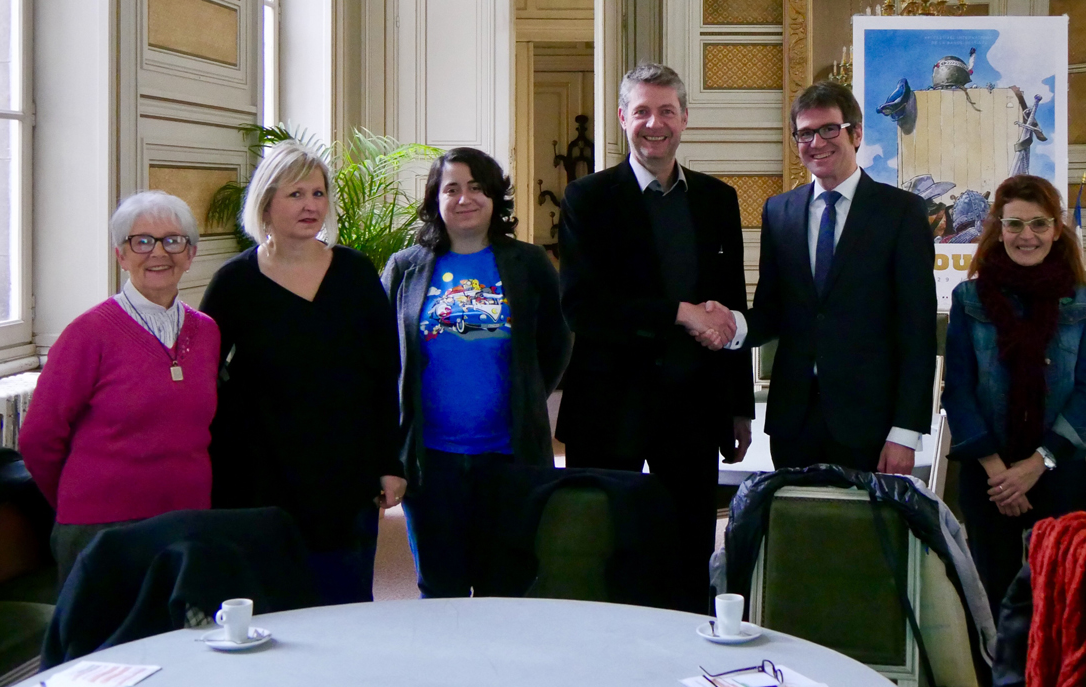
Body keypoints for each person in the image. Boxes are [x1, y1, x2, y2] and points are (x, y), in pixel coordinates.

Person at [555, 63, 754, 613]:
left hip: (693, 409)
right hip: (608, 407)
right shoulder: (587, 198)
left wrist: (739, 406)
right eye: (641, 111)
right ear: (623, 118)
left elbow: (731, 306)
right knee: (600, 550)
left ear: (685, 118)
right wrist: (680, 314)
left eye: (666, 111)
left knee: (688, 556)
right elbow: (583, 308)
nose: (654, 123)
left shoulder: (717, 199)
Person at [201, 140, 404, 605]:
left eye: (318, 193)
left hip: (345, 472)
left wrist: (390, 465)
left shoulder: (354, 273)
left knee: (345, 602)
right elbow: (205, 374)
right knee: (272, 604)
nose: (311, 205)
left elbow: (384, 373)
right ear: (266, 203)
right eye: (295, 194)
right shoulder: (235, 281)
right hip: (260, 474)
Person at [718, 80, 936, 474]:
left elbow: (917, 330)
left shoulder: (901, 212)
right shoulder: (779, 212)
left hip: (871, 425)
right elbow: (772, 310)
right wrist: (729, 325)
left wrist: (905, 432)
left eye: (829, 129)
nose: (816, 142)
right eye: (805, 133)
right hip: (793, 423)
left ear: (856, 133)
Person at [381, 148, 570, 598]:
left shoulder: (529, 264)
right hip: (430, 461)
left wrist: (527, 393)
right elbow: (382, 358)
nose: (464, 198)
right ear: (436, 199)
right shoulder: (405, 268)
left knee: (505, 587)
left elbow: (556, 342)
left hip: (509, 457)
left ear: (495, 197)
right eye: (452, 189)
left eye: (477, 187)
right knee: (439, 588)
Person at [20, 192, 221, 590]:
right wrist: (78, 499)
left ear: (190, 254)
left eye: (172, 240)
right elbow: (38, 437)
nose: (158, 252)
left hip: (186, 522)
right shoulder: (88, 333)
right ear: (121, 255)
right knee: (101, 632)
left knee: (177, 629)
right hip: (100, 530)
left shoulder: (207, 332)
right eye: (141, 241)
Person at [941, 174, 1086, 618]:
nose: (1026, 235)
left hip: (1057, 471)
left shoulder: (1082, 301)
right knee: (992, 603)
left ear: (1056, 230)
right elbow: (958, 390)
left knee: (1059, 604)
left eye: (1038, 224)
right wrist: (1001, 474)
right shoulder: (969, 299)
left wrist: (1037, 464)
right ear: (998, 229)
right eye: (1014, 224)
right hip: (988, 476)